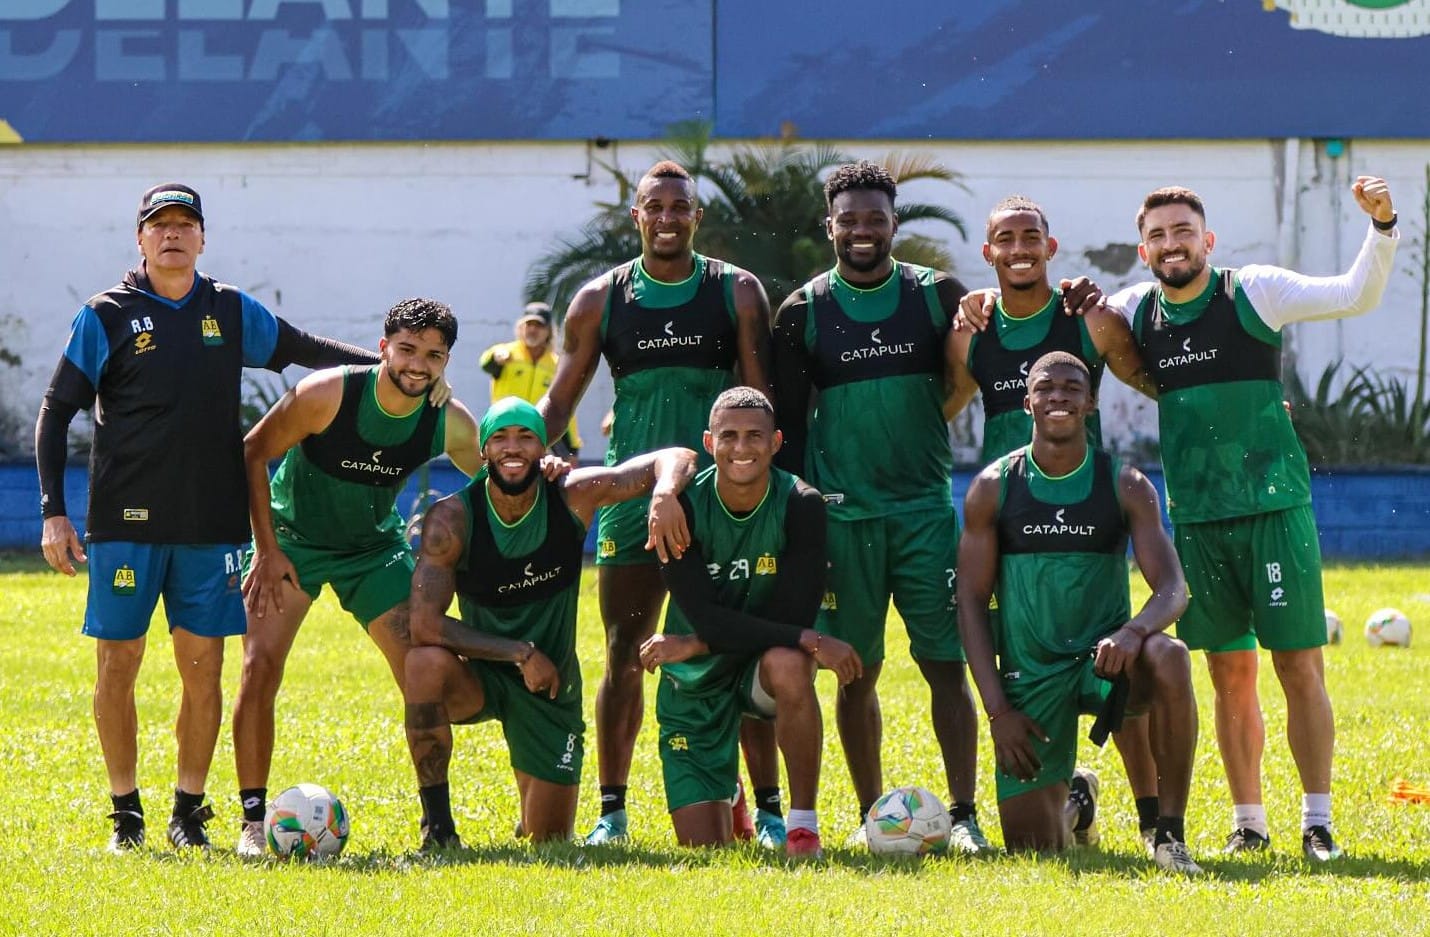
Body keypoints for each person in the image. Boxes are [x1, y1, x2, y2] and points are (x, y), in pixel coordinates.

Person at [35, 182, 385, 851]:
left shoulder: (228, 310)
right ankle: (126, 815)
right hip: (125, 523)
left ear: (202, 237)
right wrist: (54, 512)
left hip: (209, 523)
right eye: (159, 224)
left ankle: (188, 811)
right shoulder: (105, 315)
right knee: (118, 664)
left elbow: (303, 349)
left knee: (202, 670)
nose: (172, 234)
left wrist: (387, 366)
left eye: (184, 224)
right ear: (140, 238)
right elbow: (56, 412)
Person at [1105, 177, 1399, 861]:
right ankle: (1249, 823)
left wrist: (1383, 226)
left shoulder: (1254, 291)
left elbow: (1355, 294)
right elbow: (1071, 323)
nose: (1171, 244)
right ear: (1142, 249)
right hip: (1199, 517)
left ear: (1207, 240)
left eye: (1184, 231)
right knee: (1229, 673)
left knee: (1298, 665)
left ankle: (1318, 822)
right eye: (1158, 235)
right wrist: (985, 304)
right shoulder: (1132, 309)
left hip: (1274, 507)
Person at [539, 160, 782, 846]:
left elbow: (761, 400)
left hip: (722, 499)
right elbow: (558, 401)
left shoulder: (735, 290)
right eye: (656, 207)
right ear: (637, 215)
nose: (668, 218)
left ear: (697, 217)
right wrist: (519, 454)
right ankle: (612, 812)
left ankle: (766, 810)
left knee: (737, 648)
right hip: (630, 498)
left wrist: (773, 495)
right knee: (623, 650)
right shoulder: (600, 299)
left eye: (681, 208)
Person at [770, 160, 1002, 850]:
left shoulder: (936, 295)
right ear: (830, 226)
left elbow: (961, 382)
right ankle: (874, 816)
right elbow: (791, 429)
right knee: (854, 672)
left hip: (925, 513)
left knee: (946, 666)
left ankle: (964, 815)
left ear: (894, 223)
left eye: (876, 218)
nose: (863, 230)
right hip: (843, 519)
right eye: (850, 220)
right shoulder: (803, 310)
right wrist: (802, 525)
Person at [944, 196, 1162, 851]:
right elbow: (939, 404)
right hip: (1007, 524)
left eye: (1030, 237)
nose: (1019, 249)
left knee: (1116, 659)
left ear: (1051, 246)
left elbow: (1155, 380)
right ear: (988, 252)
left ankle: (1154, 818)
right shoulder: (972, 330)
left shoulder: (1088, 318)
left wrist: (1242, 402)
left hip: (1085, 513)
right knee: (1018, 661)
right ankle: (1064, 796)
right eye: (1005, 239)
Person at [230, 297, 482, 857]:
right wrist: (266, 550)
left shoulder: (448, 420)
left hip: (373, 551)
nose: (418, 364)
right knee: (258, 665)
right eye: (407, 349)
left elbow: (498, 479)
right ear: (383, 347)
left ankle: (439, 827)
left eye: (434, 356)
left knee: (427, 676)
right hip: (293, 543)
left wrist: (543, 470)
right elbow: (252, 452)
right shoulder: (328, 393)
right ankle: (252, 822)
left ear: (446, 361)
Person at [401, 398, 697, 846]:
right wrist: (520, 653)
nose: (512, 448)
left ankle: (533, 802)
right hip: (484, 674)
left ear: (544, 449)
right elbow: (424, 625)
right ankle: (438, 830)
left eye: (525, 437)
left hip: (550, 687)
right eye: (500, 438)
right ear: (483, 451)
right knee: (422, 663)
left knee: (549, 839)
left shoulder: (572, 496)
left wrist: (664, 493)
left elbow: (677, 456)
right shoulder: (453, 518)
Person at [957, 352, 1201, 872]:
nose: (1059, 397)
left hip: (1106, 663)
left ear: (1091, 403)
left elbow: (1174, 589)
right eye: (1046, 388)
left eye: (1072, 388)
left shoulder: (1126, 484)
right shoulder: (993, 487)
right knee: (1034, 848)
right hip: (1032, 676)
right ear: (1027, 403)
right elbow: (972, 603)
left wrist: (1134, 632)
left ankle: (1168, 835)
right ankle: (1078, 802)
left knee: (1171, 656)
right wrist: (998, 712)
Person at [636, 387, 862, 857]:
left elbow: (790, 614)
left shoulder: (801, 502)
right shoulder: (681, 508)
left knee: (790, 663)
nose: (742, 448)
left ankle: (802, 827)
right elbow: (707, 616)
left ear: (776, 441)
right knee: (705, 849)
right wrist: (810, 637)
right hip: (695, 683)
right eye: (729, 436)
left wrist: (695, 642)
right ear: (709, 442)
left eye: (755, 436)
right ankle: (732, 794)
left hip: (754, 666)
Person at [478, 301, 582, 458]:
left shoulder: (556, 365)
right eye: (528, 324)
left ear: (549, 331)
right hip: (503, 429)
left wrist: (573, 448)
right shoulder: (507, 353)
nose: (533, 330)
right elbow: (486, 363)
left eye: (539, 325)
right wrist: (497, 357)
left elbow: (566, 408)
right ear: (521, 328)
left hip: (538, 436)